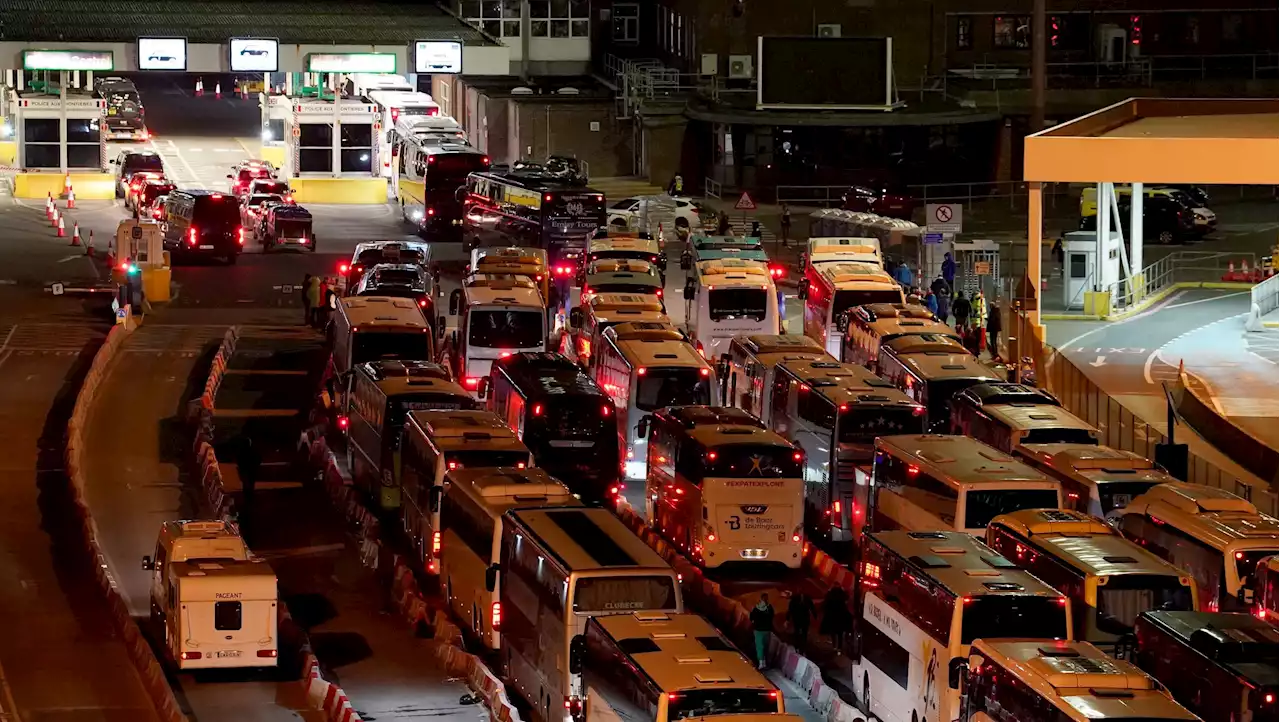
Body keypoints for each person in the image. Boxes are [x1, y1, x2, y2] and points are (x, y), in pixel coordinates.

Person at [236, 433, 262, 536]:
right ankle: (249, 499)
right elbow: (258, 459)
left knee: (246, 486)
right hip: (250, 473)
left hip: (245, 473)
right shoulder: (252, 451)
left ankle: (248, 499)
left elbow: (239, 461)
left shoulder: (242, 452)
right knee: (250, 485)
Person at [749, 593, 775, 669]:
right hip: (767, 630)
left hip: (758, 630)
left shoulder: (756, 608)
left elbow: (751, 618)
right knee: (766, 647)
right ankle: (765, 663)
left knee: (759, 647)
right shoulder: (770, 608)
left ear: (761, 599)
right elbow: (772, 616)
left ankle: (761, 663)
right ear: (767, 599)